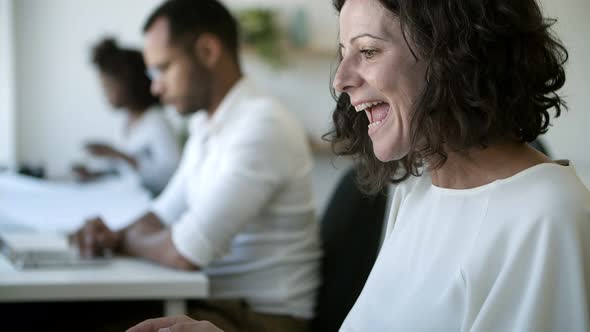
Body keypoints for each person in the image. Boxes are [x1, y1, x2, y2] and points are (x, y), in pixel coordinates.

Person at [128, 0, 590, 331]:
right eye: (344, 53)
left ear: (455, 55)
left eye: (367, 51)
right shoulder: (418, 187)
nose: (341, 79)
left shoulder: (546, 215)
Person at [71, 1, 321, 331]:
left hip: (260, 319)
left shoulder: (263, 125)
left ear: (206, 51)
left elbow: (183, 252)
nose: (155, 87)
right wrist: (114, 233)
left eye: (163, 69)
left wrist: (121, 242)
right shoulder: (207, 126)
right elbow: (161, 214)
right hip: (213, 302)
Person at [73, 38, 180, 196]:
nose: (105, 94)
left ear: (130, 83)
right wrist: (95, 175)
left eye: (109, 87)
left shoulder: (157, 122)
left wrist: (118, 154)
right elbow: (125, 174)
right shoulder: (125, 121)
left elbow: (171, 176)